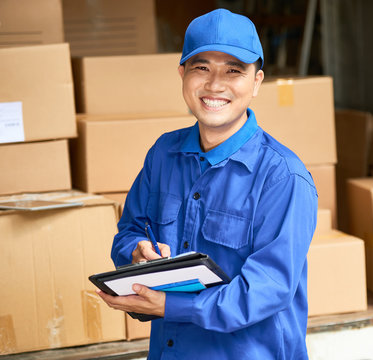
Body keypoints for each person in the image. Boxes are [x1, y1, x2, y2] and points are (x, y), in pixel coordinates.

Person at [96, 8, 318, 360]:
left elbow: (266, 289)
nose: (215, 85)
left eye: (234, 71)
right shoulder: (163, 154)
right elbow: (128, 233)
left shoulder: (283, 177)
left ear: (257, 82)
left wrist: (172, 306)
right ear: (182, 74)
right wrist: (137, 252)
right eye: (202, 68)